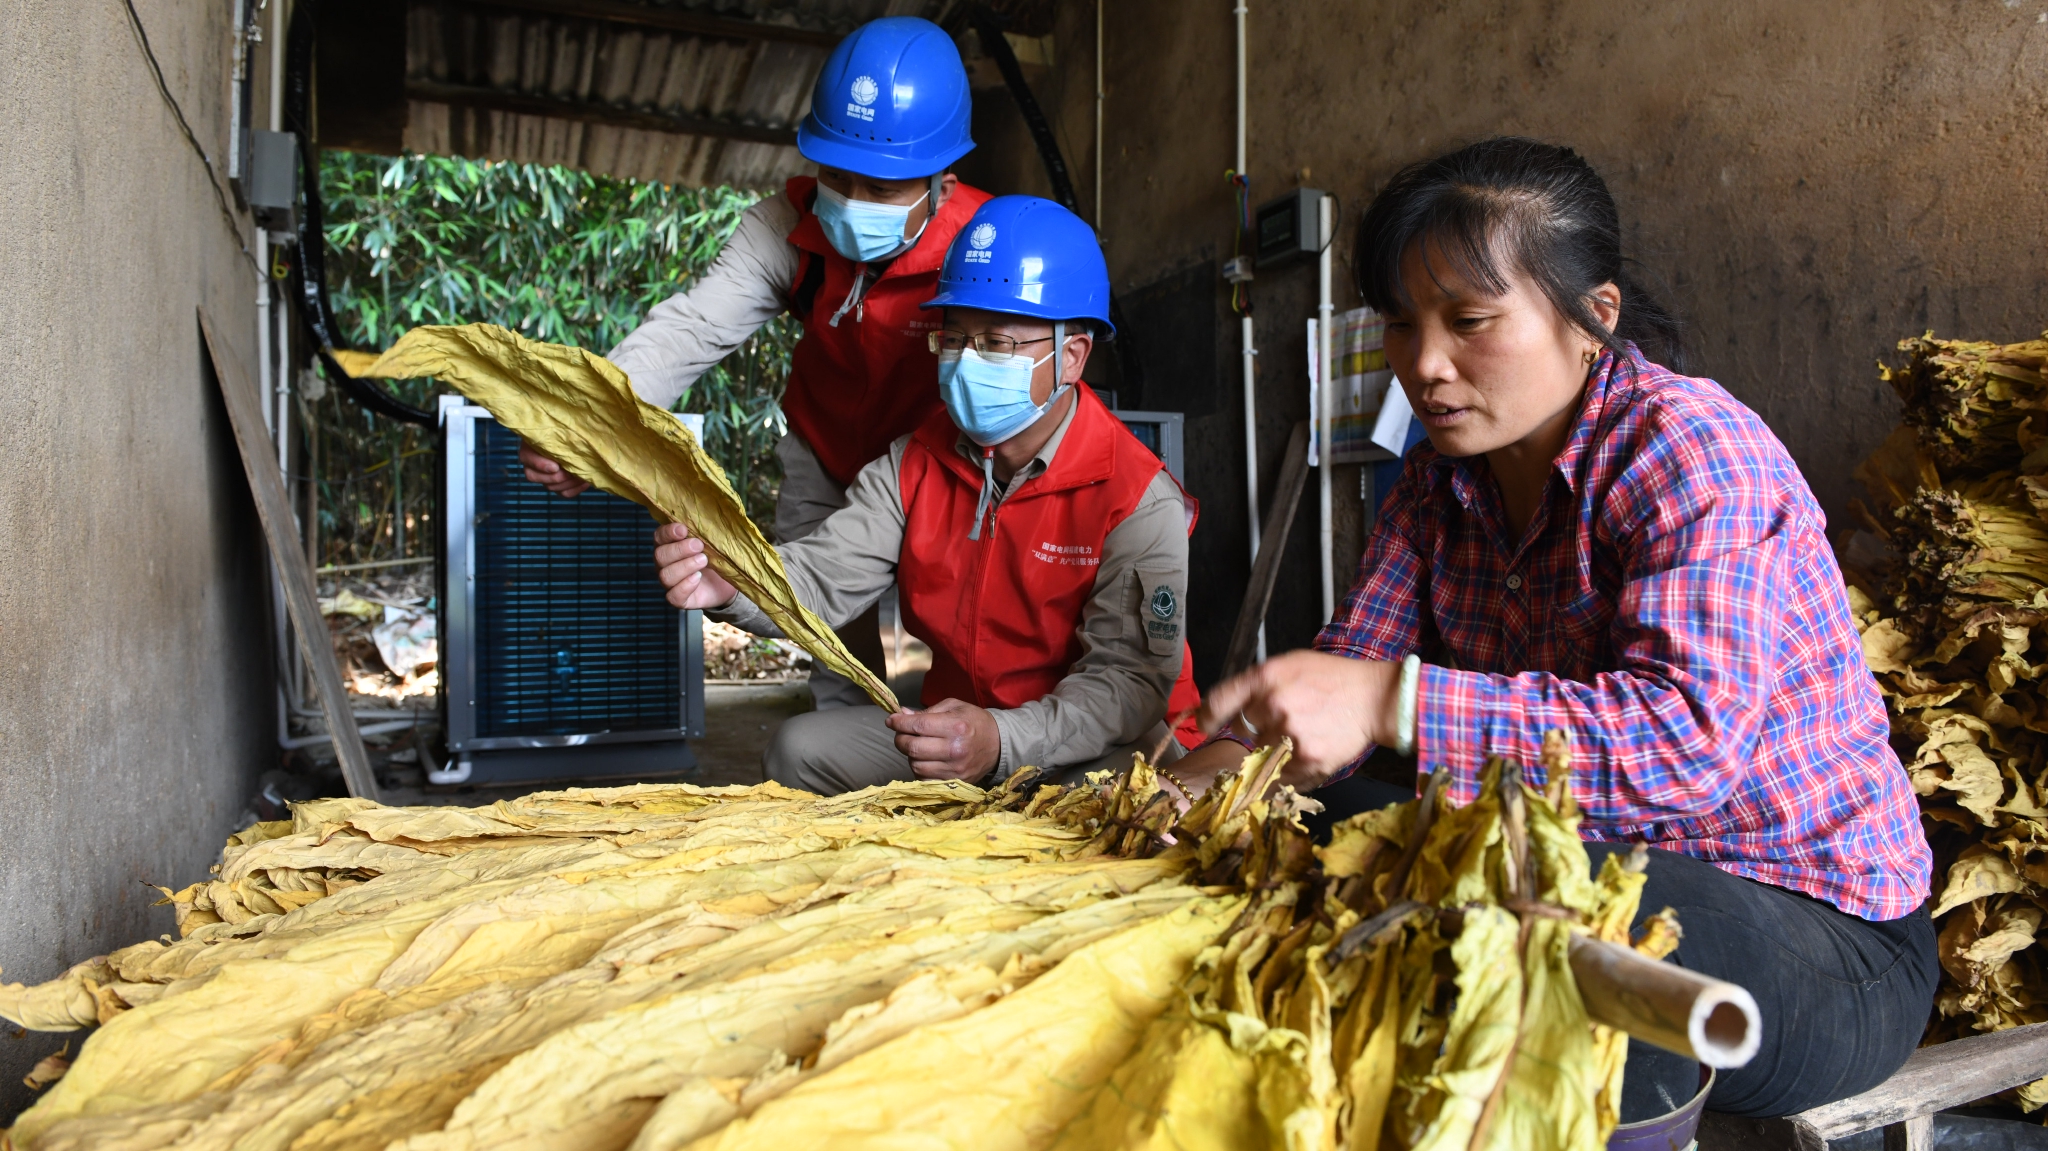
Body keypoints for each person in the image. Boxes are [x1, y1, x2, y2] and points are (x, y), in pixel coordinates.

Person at [1172, 138, 1936, 1120]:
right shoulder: (1432, 485)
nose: (1425, 365)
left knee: (1547, 927)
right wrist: (1228, 762)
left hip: (1820, 935)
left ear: (1591, 319)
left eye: (1470, 321)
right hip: (1584, 856)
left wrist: (1386, 698)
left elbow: (1679, 745)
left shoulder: (1690, 451)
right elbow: (1345, 676)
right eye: (1399, 325)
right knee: (1320, 833)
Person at [652, 196, 1204, 794]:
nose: (967, 364)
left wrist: (1000, 739)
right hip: (955, 738)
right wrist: (736, 581)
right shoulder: (916, 460)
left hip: (1094, 746)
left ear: (1071, 356)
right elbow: (823, 575)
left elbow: (1126, 684)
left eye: (997, 343)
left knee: (1136, 799)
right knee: (800, 750)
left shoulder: (1136, 497)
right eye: (954, 339)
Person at [520, 15, 991, 710]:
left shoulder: (986, 248)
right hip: (825, 455)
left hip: (937, 468)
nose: (853, 203)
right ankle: (843, 772)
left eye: (882, 188)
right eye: (838, 176)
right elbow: (692, 326)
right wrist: (587, 426)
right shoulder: (784, 228)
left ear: (942, 185)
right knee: (833, 648)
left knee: (965, 642)